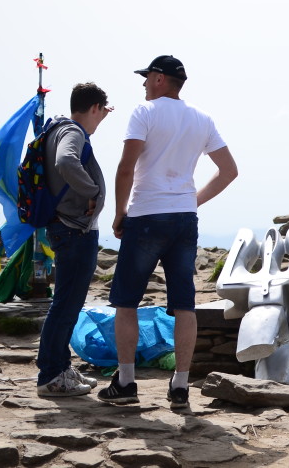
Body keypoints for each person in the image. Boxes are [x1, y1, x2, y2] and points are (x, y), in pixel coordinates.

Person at [98, 56, 238, 409]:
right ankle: (180, 386)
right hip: (184, 219)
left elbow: (126, 168)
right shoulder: (202, 119)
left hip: (146, 215)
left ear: (160, 79)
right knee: (184, 304)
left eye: (147, 78)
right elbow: (228, 171)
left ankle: (127, 382)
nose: (143, 84)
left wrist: (118, 212)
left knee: (126, 301)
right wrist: (192, 201)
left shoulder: (144, 114)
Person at [35, 83, 113, 397]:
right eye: (103, 111)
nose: (103, 117)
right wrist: (92, 191)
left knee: (66, 303)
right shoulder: (73, 132)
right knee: (66, 305)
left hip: (64, 226)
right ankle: (51, 376)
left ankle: (61, 366)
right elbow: (66, 162)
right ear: (94, 107)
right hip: (74, 229)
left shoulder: (56, 128)